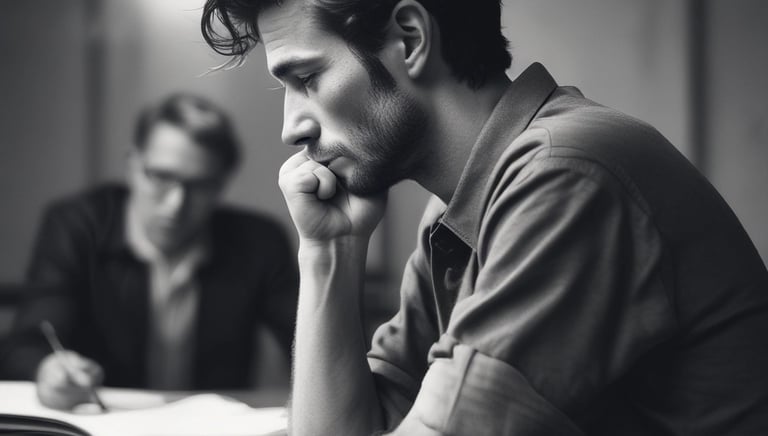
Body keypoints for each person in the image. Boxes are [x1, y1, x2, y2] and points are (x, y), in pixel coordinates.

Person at [200, 1, 768, 435]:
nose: (291, 128)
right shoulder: (455, 214)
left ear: (411, 38)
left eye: (307, 79)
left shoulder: (566, 175)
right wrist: (330, 251)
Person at [1, 93, 299, 410]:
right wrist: (49, 369)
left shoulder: (258, 242)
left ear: (221, 183)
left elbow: (304, 337)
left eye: (199, 185)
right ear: (132, 164)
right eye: (161, 177)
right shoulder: (77, 225)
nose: (175, 204)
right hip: (105, 419)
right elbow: (28, 341)